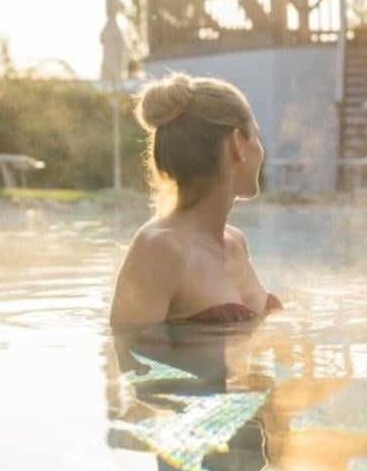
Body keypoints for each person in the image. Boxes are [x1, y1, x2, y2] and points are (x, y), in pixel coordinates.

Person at [110, 72, 282, 325]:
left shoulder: (236, 242)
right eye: (255, 136)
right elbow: (129, 354)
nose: (260, 150)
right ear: (237, 143)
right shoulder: (160, 249)